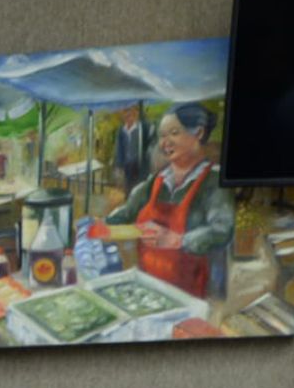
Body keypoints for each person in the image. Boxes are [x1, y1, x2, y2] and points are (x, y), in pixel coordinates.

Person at [88, 103, 232, 303]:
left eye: (174, 133)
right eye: (162, 135)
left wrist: (178, 240)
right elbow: (127, 212)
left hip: (193, 295)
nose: (165, 142)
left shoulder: (214, 182)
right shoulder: (155, 182)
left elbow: (222, 230)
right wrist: (101, 224)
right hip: (150, 288)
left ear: (198, 133)